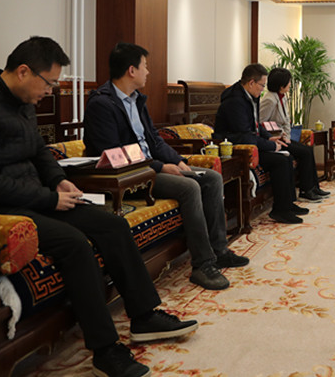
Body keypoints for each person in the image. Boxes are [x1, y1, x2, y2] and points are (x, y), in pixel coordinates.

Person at [0, 37, 197, 377]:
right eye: (49, 83)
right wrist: (50, 199)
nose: (51, 91)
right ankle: (105, 350)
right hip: (0, 210)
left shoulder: (23, 98)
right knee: (74, 243)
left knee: (112, 224)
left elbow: (39, 151)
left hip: (36, 195)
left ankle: (144, 316)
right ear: (23, 71)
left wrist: (58, 180)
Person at [84, 43, 249, 292]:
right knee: (189, 187)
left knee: (211, 178)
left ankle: (219, 250)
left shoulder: (137, 100)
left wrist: (179, 162)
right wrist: (161, 168)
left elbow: (155, 140)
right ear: (131, 70)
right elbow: (115, 154)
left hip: (151, 168)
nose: (148, 72)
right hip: (130, 175)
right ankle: (202, 265)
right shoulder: (101, 104)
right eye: (145, 66)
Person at [215, 63, 309, 224]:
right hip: (237, 148)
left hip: (250, 142)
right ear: (251, 82)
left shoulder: (250, 95)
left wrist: (269, 138)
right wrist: (271, 146)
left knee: (286, 157)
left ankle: (287, 205)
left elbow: (256, 125)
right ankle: (280, 211)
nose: (263, 89)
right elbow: (244, 135)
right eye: (262, 85)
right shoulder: (235, 101)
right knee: (280, 160)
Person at [259, 67, 330, 202]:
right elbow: (260, 123)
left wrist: (287, 137)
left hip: (284, 138)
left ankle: (314, 188)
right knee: (304, 153)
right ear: (281, 85)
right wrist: (277, 137)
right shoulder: (270, 100)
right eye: (289, 82)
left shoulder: (282, 97)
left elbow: (286, 121)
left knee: (308, 150)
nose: (290, 85)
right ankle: (306, 191)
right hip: (275, 140)